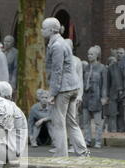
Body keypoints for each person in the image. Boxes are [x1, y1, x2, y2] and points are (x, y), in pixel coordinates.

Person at [42, 17, 89, 157]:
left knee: (59, 121)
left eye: (43, 28)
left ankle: (61, 154)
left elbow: (57, 71)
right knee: (71, 121)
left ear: (51, 30)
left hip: (64, 88)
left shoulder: (57, 46)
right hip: (72, 87)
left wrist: (52, 93)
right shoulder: (61, 43)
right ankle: (82, 151)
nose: (41, 31)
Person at [82, 46, 108, 149]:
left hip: (97, 98)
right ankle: (87, 140)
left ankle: (98, 141)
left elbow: (104, 85)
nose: (89, 56)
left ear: (97, 55)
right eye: (88, 54)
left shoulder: (102, 68)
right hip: (86, 98)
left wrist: (104, 97)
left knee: (98, 122)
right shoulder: (85, 68)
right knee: (85, 122)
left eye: (91, 54)